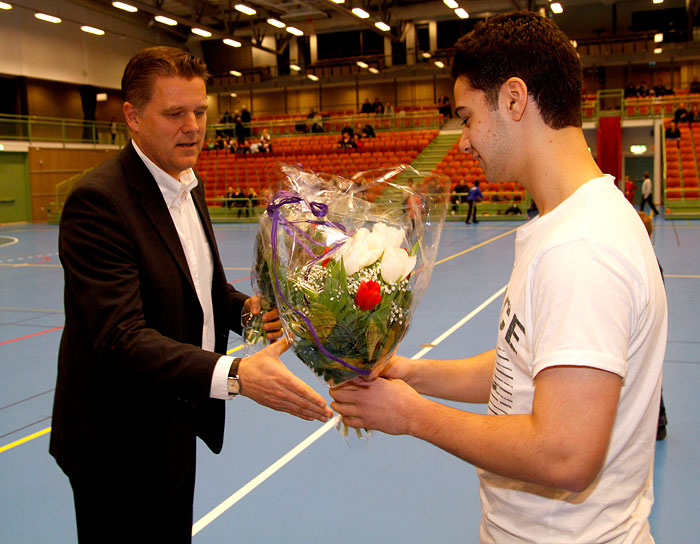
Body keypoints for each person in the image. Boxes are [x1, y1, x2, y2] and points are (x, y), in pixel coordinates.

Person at [330, 12, 667, 544]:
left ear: (514, 99)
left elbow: (566, 453)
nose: (463, 142)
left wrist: (414, 416)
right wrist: (414, 373)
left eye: (466, 117)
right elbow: (528, 365)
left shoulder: (581, 247)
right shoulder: (571, 223)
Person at [50, 46, 332, 544]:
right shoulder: (99, 202)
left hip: (176, 415)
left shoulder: (185, 182)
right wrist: (238, 375)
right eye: (175, 113)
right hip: (116, 439)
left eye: (200, 111)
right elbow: (120, 337)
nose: (194, 127)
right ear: (133, 117)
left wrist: (244, 309)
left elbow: (196, 284)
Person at [637, 211, 668, 441]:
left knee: (648, 373)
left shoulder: (649, 264)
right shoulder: (643, 258)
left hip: (645, 327)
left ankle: (658, 423)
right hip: (644, 326)